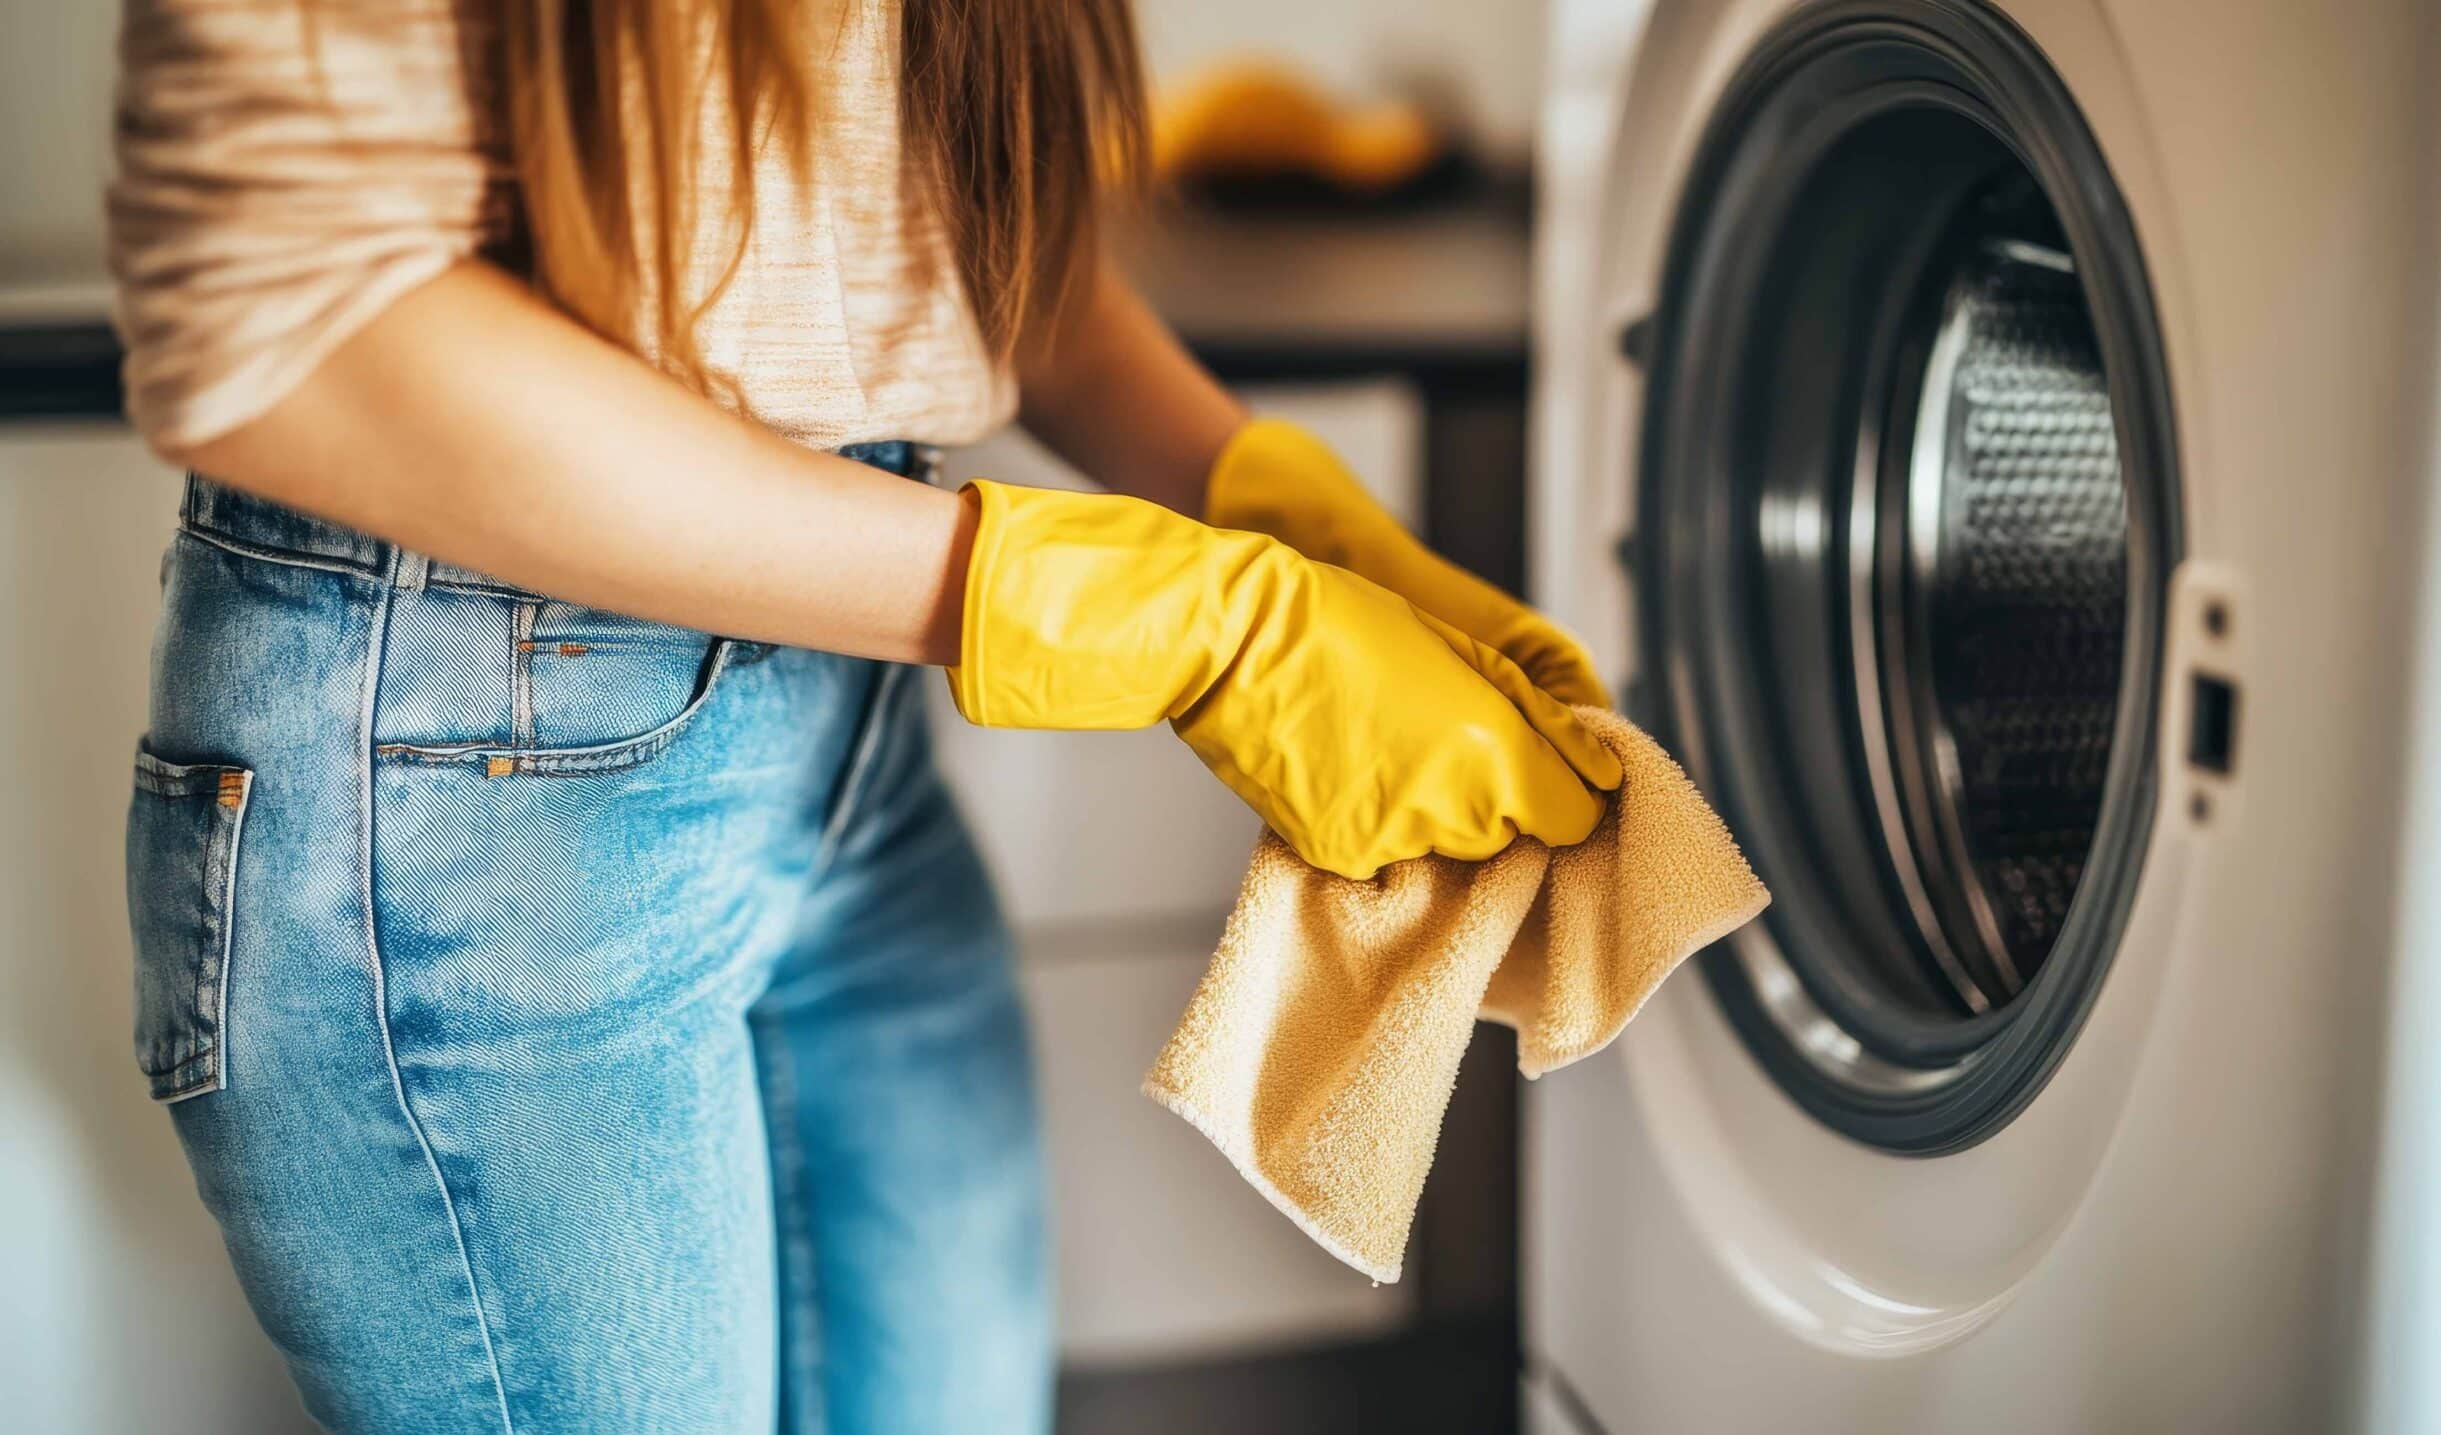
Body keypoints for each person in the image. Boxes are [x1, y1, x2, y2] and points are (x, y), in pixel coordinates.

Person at [109, 2, 1619, 1431]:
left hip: (848, 744)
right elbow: (285, 329)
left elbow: (968, 221)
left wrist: (1289, 522)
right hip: (466, 785)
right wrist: (1161, 619)